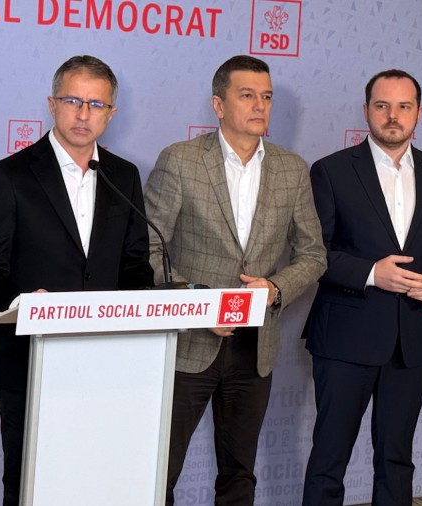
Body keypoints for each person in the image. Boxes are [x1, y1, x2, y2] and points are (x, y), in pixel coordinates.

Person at [0, 55, 154, 506]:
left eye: (96, 104)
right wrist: (26, 303)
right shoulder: (10, 175)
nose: (84, 114)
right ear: (52, 105)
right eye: (73, 101)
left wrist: (142, 307)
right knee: (29, 485)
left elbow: (135, 265)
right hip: (28, 360)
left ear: (112, 113)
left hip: (108, 363)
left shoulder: (124, 176)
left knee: (93, 484)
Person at [144, 55, 327, 505]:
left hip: (254, 345)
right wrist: (198, 306)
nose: (260, 105)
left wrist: (276, 289)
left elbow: (313, 255)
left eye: (267, 96)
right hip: (190, 342)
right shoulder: (180, 161)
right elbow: (147, 250)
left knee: (239, 475)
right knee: (158, 472)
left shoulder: (292, 169)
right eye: (247, 95)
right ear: (218, 104)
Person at [302, 69, 422, 505]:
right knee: (329, 458)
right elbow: (314, 254)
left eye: (404, 106)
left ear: (419, 113)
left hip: (411, 340)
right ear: (366, 111)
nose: (393, 115)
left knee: (397, 460)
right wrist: (373, 273)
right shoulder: (331, 171)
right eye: (382, 105)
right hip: (345, 339)